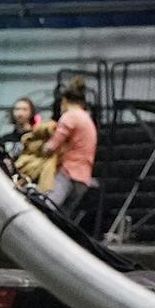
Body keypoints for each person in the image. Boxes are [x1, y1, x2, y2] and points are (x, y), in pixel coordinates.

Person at [47, 76, 98, 221]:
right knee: (62, 218)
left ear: (64, 101)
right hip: (83, 178)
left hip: (68, 173)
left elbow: (52, 146)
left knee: (47, 207)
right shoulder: (87, 119)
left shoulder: (70, 116)